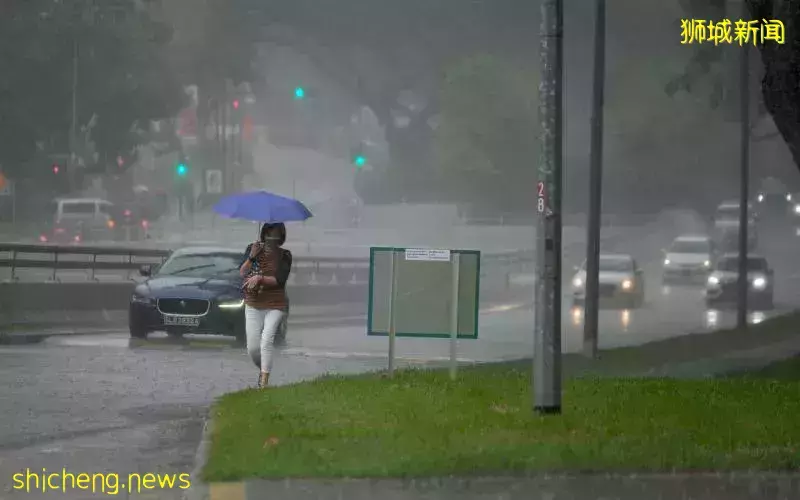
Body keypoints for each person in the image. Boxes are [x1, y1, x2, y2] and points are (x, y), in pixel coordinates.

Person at [239, 223, 292, 388]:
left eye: (276, 236)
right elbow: (242, 272)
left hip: (275, 304)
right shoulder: (252, 248)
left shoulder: (285, 255)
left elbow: (279, 280)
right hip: (253, 302)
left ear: (281, 237)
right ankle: (263, 369)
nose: (271, 239)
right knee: (253, 348)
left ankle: (263, 382)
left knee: (266, 340)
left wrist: (260, 279)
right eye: (269, 235)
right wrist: (251, 256)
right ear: (264, 234)